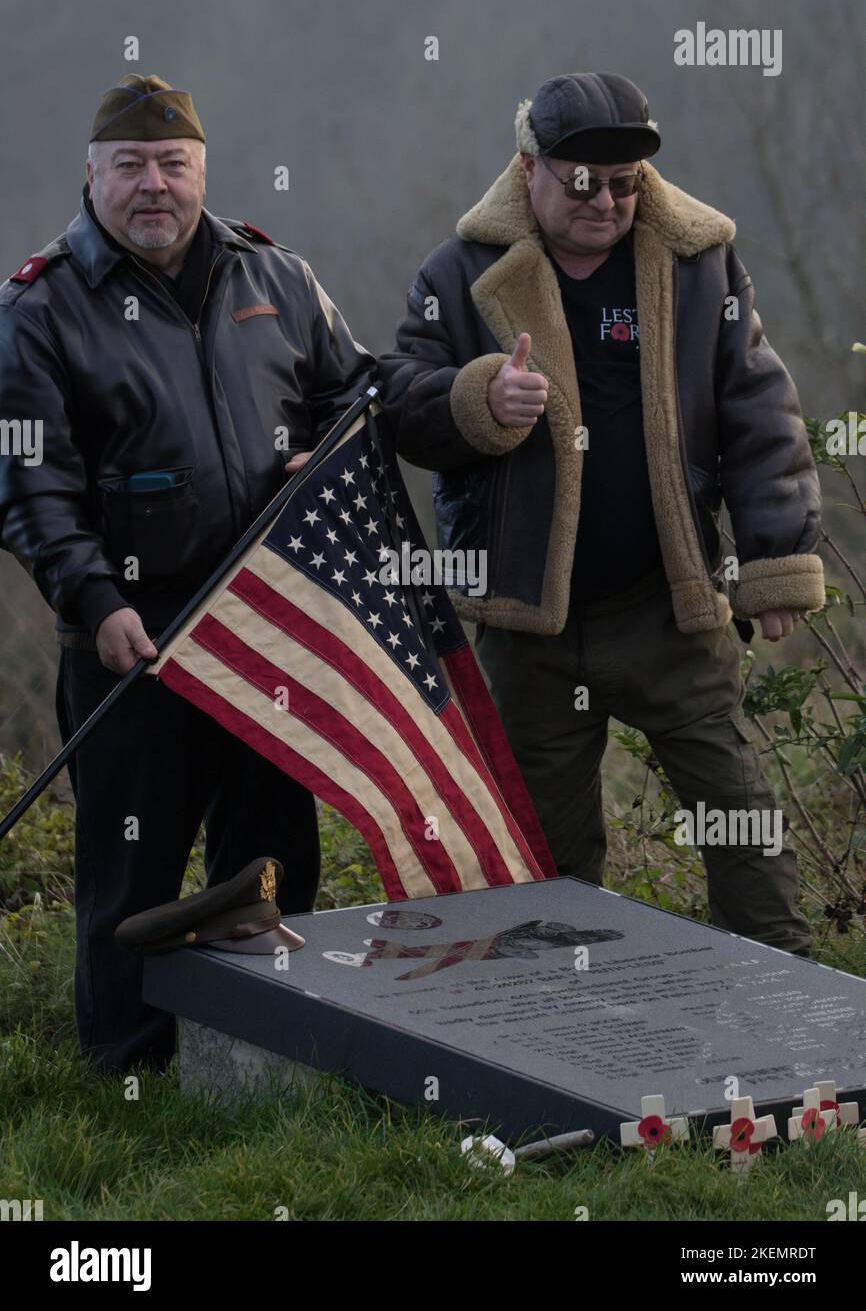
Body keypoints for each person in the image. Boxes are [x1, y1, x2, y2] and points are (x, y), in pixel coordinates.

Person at [378, 71, 825, 955]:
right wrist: (477, 399)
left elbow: (760, 411)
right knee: (543, 851)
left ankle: (792, 1002)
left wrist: (773, 559)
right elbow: (398, 399)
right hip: (529, 620)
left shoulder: (698, 263)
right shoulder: (460, 271)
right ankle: (558, 1036)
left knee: (739, 816)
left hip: (668, 605)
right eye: (584, 180)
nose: (607, 200)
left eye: (625, 183)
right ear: (529, 168)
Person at [0, 73, 376, 1070]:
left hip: (267, 625)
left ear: (202, 170)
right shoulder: (39, 310)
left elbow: (355, 392)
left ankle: (255, 1062)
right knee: (132, 871)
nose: (153, 184)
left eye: (172, 164)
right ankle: (126, 1078)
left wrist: (326, 452)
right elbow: (31, 484)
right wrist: (94, 598)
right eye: (130, 166)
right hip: (135, 635)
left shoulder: (277, 278)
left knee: (267, 861)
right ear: (92, 177)